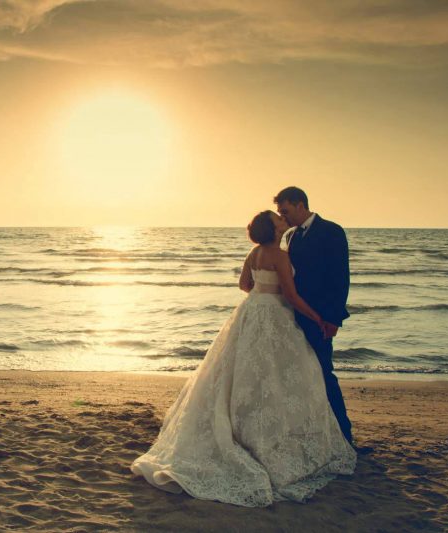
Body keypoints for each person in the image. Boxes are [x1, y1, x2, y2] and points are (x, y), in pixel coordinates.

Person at [130, 210, 356, 507]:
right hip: (275, 315)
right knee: (278, 374)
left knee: (241, 373)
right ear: (273, 230)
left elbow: (244, 286)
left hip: (250, 313)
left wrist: (262, 293)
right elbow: (291, 296)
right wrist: (316, 317)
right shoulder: (280, 256)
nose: (282, 221)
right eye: (277, 221)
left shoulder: (254, 252)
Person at [273, 186, 353, 445]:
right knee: (300, 375)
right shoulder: (292, 236)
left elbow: (340, 278)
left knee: (323, 373)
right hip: (293, 316)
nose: (282, 217)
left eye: (285, 210)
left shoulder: (331, 231)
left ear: (300, 204)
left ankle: (344, 436)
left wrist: (332, 318)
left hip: (319, 316)